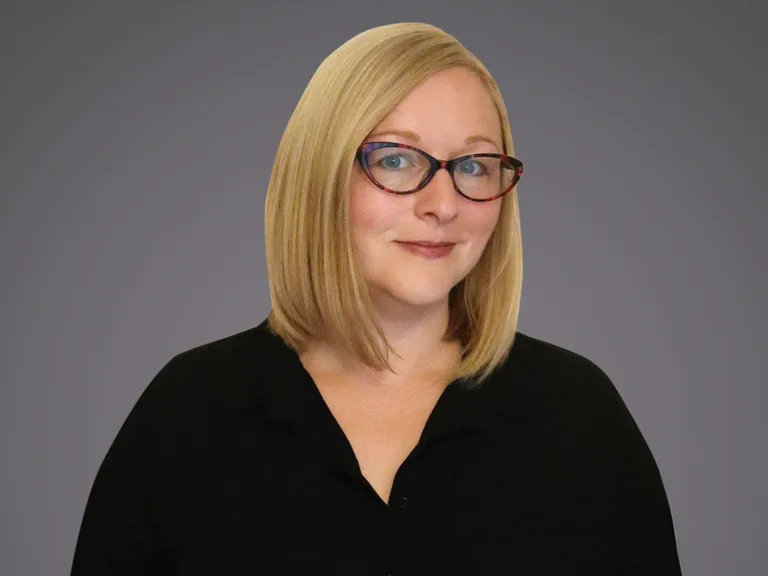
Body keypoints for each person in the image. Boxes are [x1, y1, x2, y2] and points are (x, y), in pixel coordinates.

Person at [70, 22, 682, 575]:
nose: (442, 204)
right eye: (395, 158)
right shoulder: (189, 415)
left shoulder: (580, 417)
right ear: (320, 176)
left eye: (473, 166)